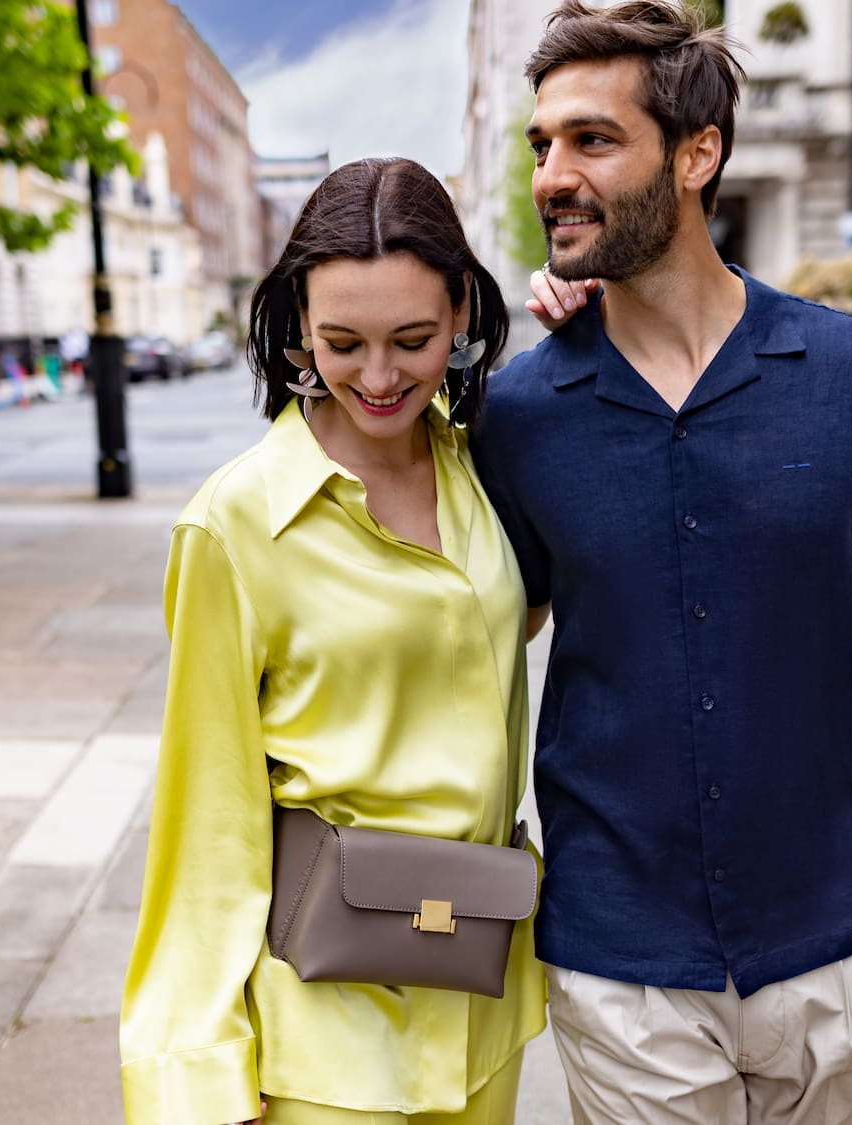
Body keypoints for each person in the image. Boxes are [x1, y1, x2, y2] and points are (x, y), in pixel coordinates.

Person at [470, 3, 852, 1122]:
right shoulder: (518, 416)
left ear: (697, 154)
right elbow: (486, 626)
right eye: (540, 145)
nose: (552, 173)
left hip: (834, 943)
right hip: (618, 954)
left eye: (591, 140)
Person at [120, 157, 544, 1125]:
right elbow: (205, 812)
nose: (380, 376)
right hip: (323, 1030)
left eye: (413, 339)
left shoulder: (481, 469)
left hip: (479, 992)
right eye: (342, 343)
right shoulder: (233, 524)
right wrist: (196, 1072)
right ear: (298, 330)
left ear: (461, 314)